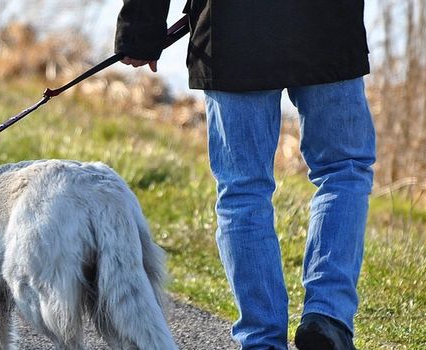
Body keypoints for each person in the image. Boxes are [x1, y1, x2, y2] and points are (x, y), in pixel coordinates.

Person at [115, 1, 375, 349]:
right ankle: (328, 316)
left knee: (242, 190)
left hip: (231, 29)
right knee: (343, 170)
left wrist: (139, 28)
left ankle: (262, 339)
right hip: (326, 24)